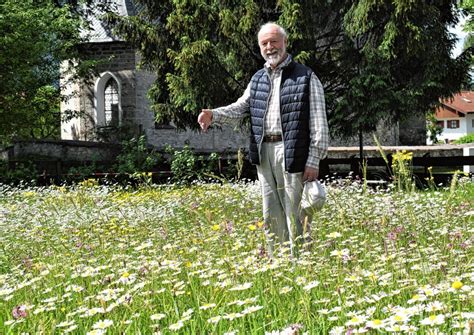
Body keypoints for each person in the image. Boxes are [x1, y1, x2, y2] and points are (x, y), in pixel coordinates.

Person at [198, 22, 329, 255]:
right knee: (271, 214)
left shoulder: (307, 77)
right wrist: (213, 114)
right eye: (264, 43)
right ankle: (277, 264)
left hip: (292, 152)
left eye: (274, 42)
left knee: (295, 213)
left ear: (285, 43)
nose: (270, 47)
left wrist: (314, 160)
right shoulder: (258, 78)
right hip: (264, 153)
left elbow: (319, 123)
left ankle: (300, 265)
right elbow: (240, 108)